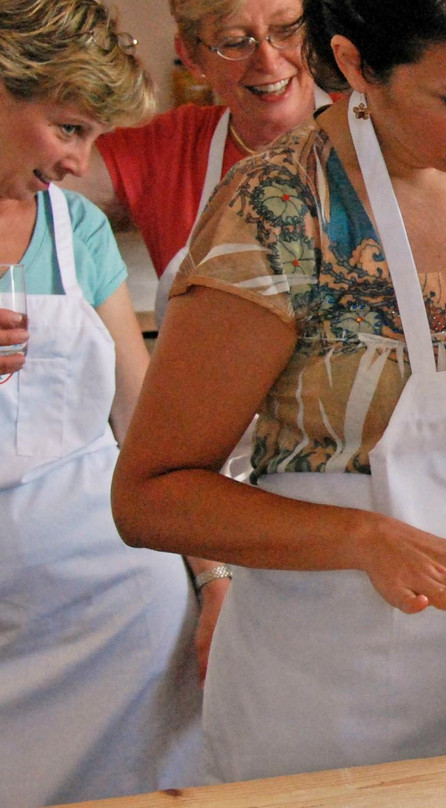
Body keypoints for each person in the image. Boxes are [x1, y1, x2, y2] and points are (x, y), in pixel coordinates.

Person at [111, 0, 446, 784]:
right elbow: (150, 495)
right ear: (354, 67)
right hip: (338, 706)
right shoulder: (282, 215)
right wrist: (365, 540)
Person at [0, 1, 209, 804]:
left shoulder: (75, 231)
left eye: (93, 136)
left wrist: (211, 575)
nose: (81, 161)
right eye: (66, 128)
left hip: (117, 620)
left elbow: (148, 423)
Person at [64, 0, 331, 324]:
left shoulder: (376, 128)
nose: (268, 61)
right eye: (235, 42)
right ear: (191, 56)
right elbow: (22, 173)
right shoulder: (168, 146)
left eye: (287, 31)